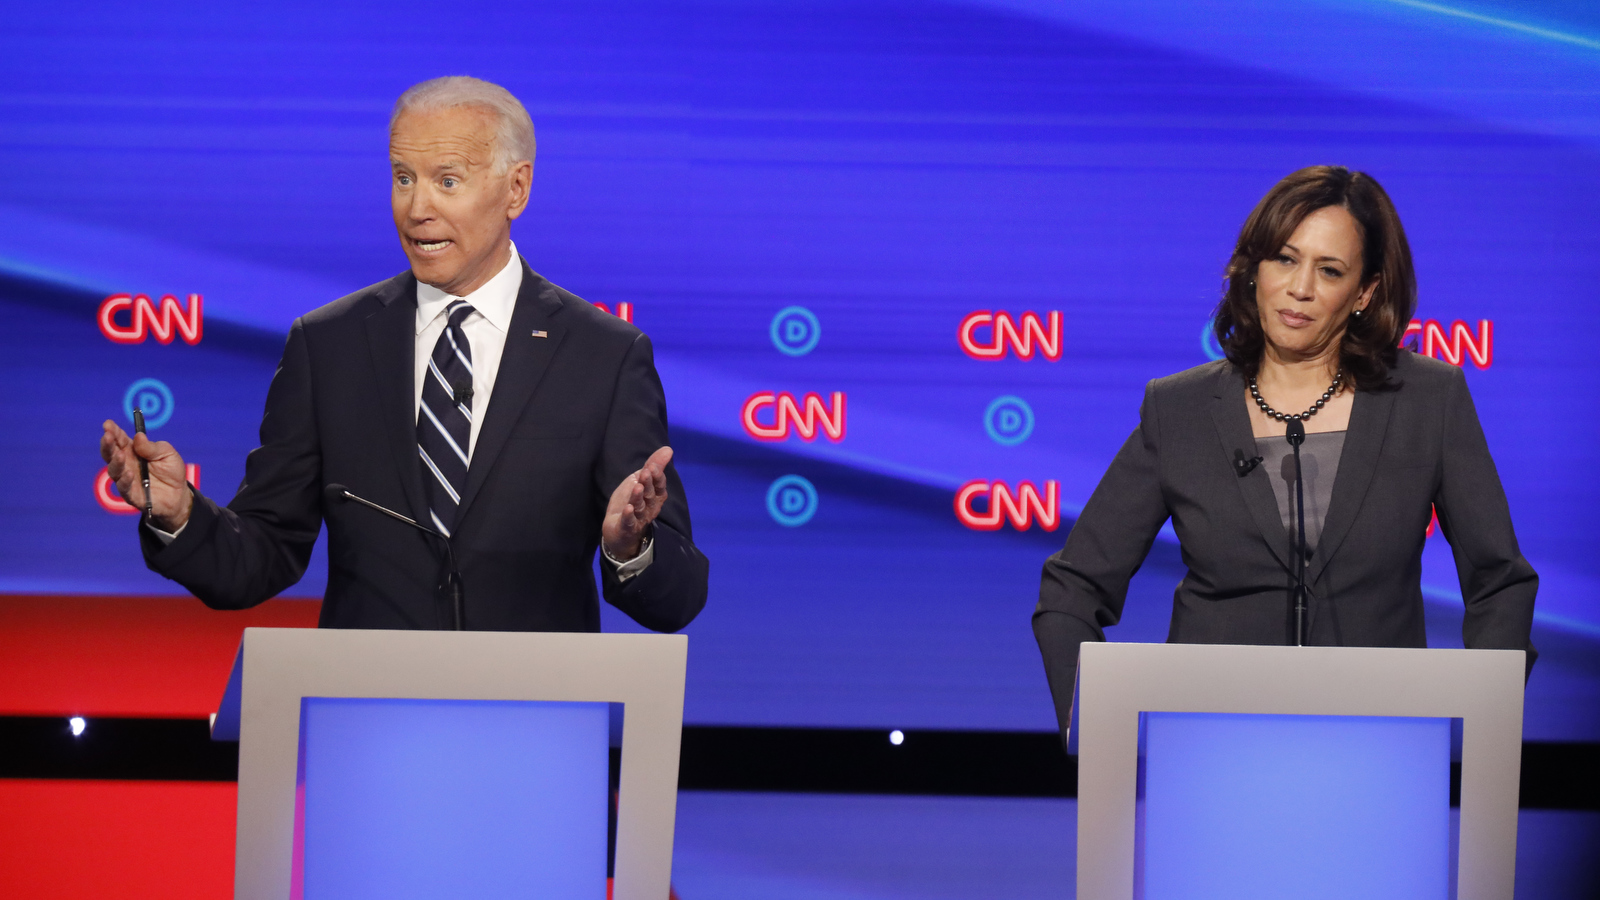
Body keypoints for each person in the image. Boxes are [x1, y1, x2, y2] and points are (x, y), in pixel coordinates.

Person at [99, 76, 708, 633]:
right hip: (364, 718)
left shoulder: (600, 355)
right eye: (402, 177)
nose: (417, 209)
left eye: (447, 181)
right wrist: (181, 515)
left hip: (535, 722)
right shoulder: (328, 345)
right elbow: (263, 554)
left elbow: (678, 598)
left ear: (516, 188)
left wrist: (632, 547)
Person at [1033, 165, 1536, 737]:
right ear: (1253, 270)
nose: (1301, 288)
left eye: (1330, 270)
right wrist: (1094, 723)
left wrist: (1488, 721)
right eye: (1284, 259)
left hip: (1381, 749)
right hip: (1207, 747)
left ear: (1365, 292)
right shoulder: (1180, 410)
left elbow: (1500, 581)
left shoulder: (1427, 401)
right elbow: (1073, 588)